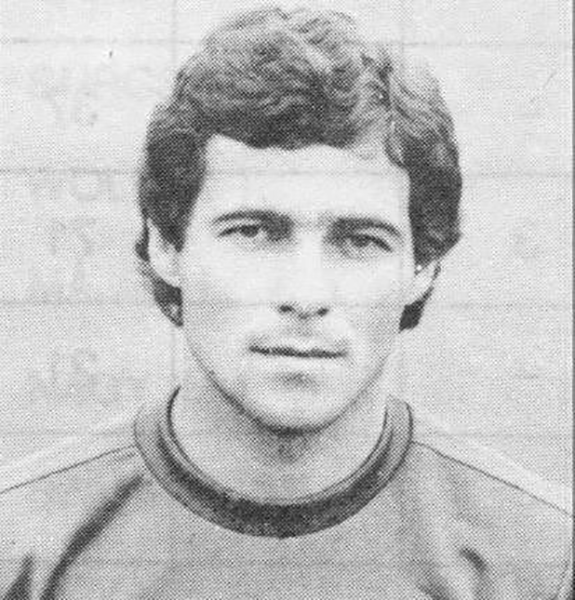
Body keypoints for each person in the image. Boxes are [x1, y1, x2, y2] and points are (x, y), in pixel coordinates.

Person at [0, 7, 571, 599]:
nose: (305, 295)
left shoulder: (541, 563)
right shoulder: (20, 550)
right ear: (167, 245)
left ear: (421, 267)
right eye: (253, 232)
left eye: (360, 241)